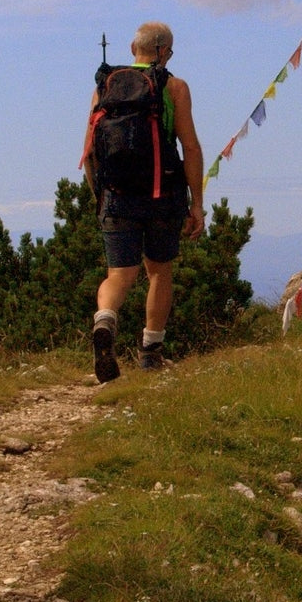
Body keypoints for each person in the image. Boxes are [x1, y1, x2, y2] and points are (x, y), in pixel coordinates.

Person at [85, 22, 205, 383]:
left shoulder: (105, 86)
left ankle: (105, 319)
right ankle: (151, 352)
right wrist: (196, 203)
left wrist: (100, 196)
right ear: (164, 51)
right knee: (159, 271)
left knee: (119, 274)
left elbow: (89, 151)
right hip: (161, 194)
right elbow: (190, 147)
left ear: (132, 48)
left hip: (117, 195)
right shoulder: (174, 87)